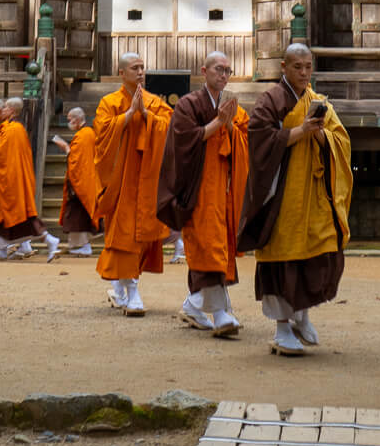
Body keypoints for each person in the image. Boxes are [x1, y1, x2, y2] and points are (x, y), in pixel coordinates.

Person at [237, 42, 352, 357]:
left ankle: (302, 315)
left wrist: (321, 136)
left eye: (308, 67)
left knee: (319, 249)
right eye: (297, 67)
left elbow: (340, 138)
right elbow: (259, 136)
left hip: (313, 196)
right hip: (282, 196)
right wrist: (299, 131)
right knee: (282, 258)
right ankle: (282, 327)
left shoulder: (317, 100)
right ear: (283, 68)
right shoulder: (271, 100)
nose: (303, 73)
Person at [157, 50, 249, 338]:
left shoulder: (231, 105)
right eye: (218, 69)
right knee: (209, 247)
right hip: (197, 189)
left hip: (222, 190)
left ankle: (194, 304)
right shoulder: (188, 104)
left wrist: (230, 126)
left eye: (227, 70)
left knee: (216, 247)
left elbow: (242, 139)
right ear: (204, 70)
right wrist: (219, 123)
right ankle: (221, 315)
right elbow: (183, 141)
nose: (223, 75)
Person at [92, 53, 171, 316]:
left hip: (147, 180)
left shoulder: (153, 102)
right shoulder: (109, 102)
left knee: (142, 234)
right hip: (121, 181)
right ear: (121, 73)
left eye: (142, 68)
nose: (140, 72)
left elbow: (170, 128)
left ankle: (123, 287)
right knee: (124, 234)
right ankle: (131, 290)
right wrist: (127, 115)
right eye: (134, 68)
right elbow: (102, 136)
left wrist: (147, 115)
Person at [0, 97, 58, 262]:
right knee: (5, 217)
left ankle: (50, 240)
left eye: (6, 107)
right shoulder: (9, 128)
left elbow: (4, 156)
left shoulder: (14, 130)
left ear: (13, 110)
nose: (3, 109)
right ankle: (2, 249)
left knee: (19, 218)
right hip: (8, 178)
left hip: (11, 179)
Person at [53, 105, 100, 256]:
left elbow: (77, 161)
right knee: (75, 215)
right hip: (81, 180)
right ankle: (76, 245)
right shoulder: (85, 133)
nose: (68, 122)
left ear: (78, 119)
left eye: (69, 119)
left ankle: (84, 246)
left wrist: (66, 148)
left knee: (77, 215)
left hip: (82, 181)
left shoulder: (85, 135)